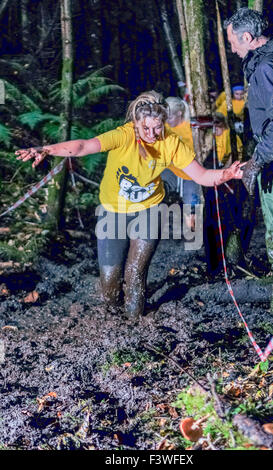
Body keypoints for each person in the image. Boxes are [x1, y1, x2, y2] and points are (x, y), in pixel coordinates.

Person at [16, 90, 244, 319]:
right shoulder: (123, 136)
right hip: (112, 212)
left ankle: (135, 323)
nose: (153, 134)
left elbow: (202, 176)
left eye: (158, 127)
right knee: (109, 280)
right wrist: (45, 149)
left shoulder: (171, 142)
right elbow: (83, 146)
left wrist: (228, 174)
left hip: (149, 210)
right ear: (136, 123)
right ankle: (114, 321)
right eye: (147, 129)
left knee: (135, 273)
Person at [224, 8, 273, 314]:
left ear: (247, 37)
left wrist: (257, 161)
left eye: (232, 42)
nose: (231, 48)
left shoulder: (266, 66)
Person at [202, 113, 246, 275]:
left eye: (218, 124)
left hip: (229, 183)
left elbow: (237, 157)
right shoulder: (208, 138)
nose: (216, 128)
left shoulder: (230, 136)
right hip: (211, 182)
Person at [161, 96, 202, 231]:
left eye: (170, 117)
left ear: (179, 113)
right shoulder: (164, 127)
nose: (167, 120)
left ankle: (193, 232)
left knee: (191, 204)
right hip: (170, 169)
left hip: (189, 171)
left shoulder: (191, 127)